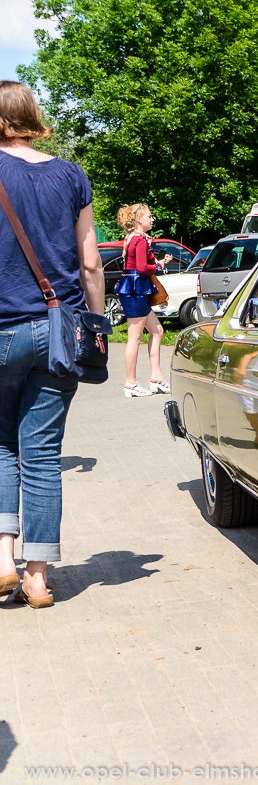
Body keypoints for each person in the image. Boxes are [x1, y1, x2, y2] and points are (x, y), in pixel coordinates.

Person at [0, 80, 104, 608]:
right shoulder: (70, 174)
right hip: (59, 329)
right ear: (32, 114)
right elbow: (89, 261)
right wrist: (98, 323)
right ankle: (37, 578)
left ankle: (2, 556)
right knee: (41, 452)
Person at [114, 203, 172, 397]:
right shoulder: (139, 239)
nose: (152, 219)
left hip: (135, 288)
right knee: (134, 338)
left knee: (157, 331)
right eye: (149, 216)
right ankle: (130, 383)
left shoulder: (134, 238)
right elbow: (141, 267)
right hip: (135, 289)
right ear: (139, 220)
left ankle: (156, 377)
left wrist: (156, 263)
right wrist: (158, 266)